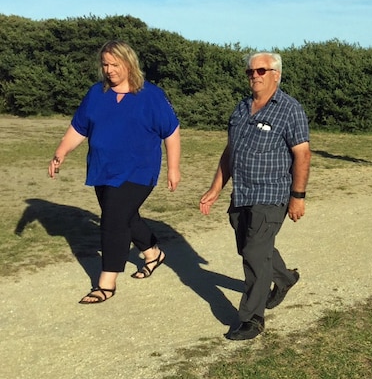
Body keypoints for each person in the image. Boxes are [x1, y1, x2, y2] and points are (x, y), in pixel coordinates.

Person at [48, 40, 181, 304]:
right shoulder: (97, 94)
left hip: (139, 170)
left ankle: (106, 282)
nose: (109, 70)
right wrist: (61, 152)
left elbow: (171, 131)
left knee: (113, 220)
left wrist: (173, 168)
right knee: (125, 217)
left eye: (114, 64)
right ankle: (153, 253)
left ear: (129, 63)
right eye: (105, 64)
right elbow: (79, 128)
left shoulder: (151, 95)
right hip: (103, 168)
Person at [199, 52, 311, 341]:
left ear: (276, 74)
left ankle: (252, 318)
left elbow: (302, 154)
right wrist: (215, 189)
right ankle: (284, 278)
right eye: (250, 71)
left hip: (271, 193)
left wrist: (297, 196)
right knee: (252, 248)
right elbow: (230, 151)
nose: (255, 76)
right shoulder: (241, 108)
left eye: (261, 71)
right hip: (242, 192)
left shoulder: (289, 109)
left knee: (253, 253)